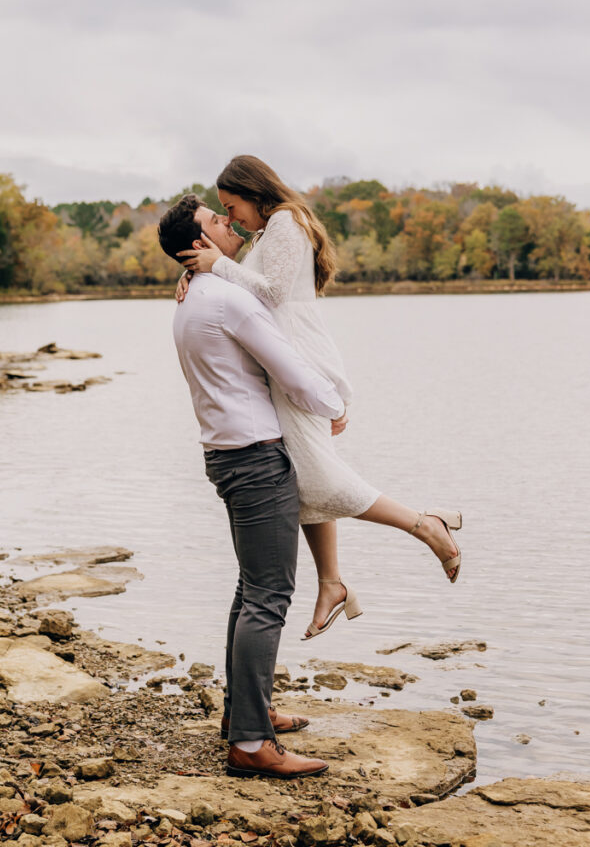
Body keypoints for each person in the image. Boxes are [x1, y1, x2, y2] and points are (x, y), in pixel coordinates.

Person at [176, 155, 463, 641]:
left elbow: (269, 294)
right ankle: (332, 581)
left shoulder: (286, 222)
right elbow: (244, 288)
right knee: (305, 479)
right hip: (284, 362)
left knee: (314, 477)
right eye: (222, 211)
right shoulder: (269, 232)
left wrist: (218, 264)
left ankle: (425, 524)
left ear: (253, 191)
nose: (232, 218)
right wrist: (199, 273)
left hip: (298, 359)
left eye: (232, 206)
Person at [157, 193, 348, 779]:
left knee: (251, 590)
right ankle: (249, 742)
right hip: (257, 459)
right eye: (216, 221)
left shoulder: (193, 300)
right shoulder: (226, 299)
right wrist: (334, 404)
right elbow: (289, 367)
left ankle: (247, 712)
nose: (229, 223)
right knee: (268, 597)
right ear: (198, 246)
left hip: (226, 455)